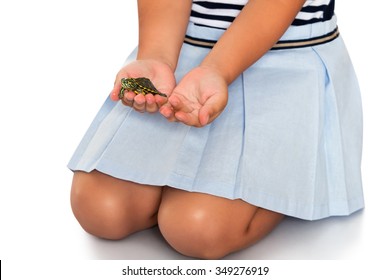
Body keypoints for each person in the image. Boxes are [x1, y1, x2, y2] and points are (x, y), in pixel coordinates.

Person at [68, 0, 364, 259]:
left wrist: (218, 70)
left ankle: (296, 180)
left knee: (196, 228)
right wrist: (157, 56)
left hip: (284, 59)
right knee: (100, 209)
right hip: (185, 50)